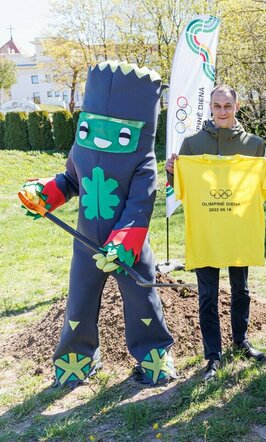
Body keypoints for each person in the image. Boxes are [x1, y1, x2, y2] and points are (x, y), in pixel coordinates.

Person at [20, 61, 177, 387]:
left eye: (118, 131)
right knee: (79, 301)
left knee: (142, 304)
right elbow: (70, 181)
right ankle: (76, 364)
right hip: (86, 245)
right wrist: (43, 194)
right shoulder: (82, 149)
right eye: (93, 126)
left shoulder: (144, 162)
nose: (102, 138)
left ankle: (156, 362)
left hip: (127, 251)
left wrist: (123, 245)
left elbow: (139, 207)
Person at [166, 84, 266, 381]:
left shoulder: (254, 145)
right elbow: (179, 187)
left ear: (237, 106)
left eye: (227, 106)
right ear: (211, 108)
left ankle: (240, 342)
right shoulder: (191, 146)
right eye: (217, 106)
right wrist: (172, 170)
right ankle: (212, 355)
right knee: (207, 295)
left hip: (239, 229)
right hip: (206, 231)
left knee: (241, 289)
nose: (222, 111)